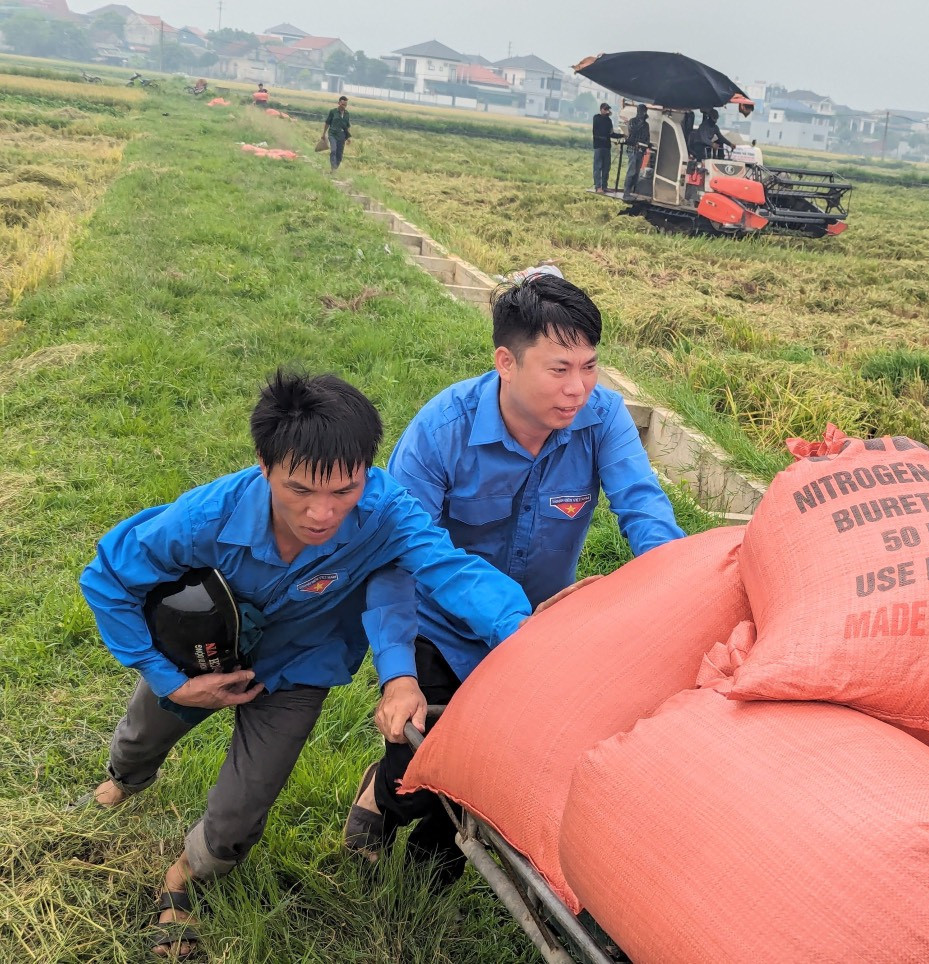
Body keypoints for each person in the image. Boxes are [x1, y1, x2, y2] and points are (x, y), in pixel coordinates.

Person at [79, 370, 534, 958]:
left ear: (366, 473)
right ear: (264, 468)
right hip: (196, 658)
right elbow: (108, 578)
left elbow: (449, 570)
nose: (322, 513)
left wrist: (525, 636)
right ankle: (123, 780)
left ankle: (186, 876)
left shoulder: (389, 511)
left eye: (344, 490)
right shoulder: (205, 518)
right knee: (145, 733)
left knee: (244, 808)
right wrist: (172, 681)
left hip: (296, 669)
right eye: (299, 490)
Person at [344, 274, 685, 878]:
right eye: (558, 369)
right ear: (506, 361)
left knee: (492, 769)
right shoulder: (441, 433)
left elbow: (644, 508)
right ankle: (383, 791)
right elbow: (392, 556)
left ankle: (434, 860)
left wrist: (683, 586)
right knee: (416, 774)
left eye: (589, 366)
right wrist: (397, 674)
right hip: (440, 624)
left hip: (537, 628)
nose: (578, 388)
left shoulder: (602, 418)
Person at [622, 103, 651, 198]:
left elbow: (647, 137)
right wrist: (641, 122)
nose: (643, 113)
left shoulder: (646, 125)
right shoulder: (632, 121)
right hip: (632, 149)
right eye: (642, 111)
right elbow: (633, 130)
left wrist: (646, 145)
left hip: (641, 150)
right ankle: (626, 192)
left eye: (644, 111)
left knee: (637, 172)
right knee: (631, 170)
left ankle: (632, 190)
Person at [322, 95, 352, 173]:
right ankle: (333, 168)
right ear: (339, 103)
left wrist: (348, 137)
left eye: (345, 105)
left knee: (340, 154)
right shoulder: (333, 112)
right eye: (343, 104)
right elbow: (327, 123)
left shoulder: (347, 114)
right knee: (333, 150)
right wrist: (324, 133)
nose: (344, 106)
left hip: (342, 136)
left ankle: (335, 167)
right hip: (332, 134)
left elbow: (348, 125)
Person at [591, 102, 614, 193]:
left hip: (607, 146)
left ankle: (604, 186)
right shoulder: (596, 117)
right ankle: (598, 187)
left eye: (607, 109)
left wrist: (622, 136)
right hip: (599, 146)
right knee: (598, 167)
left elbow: (611, 133)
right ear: (601, 109)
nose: (606, 111)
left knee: (606, 167)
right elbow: (596, 131)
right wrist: (603, 138)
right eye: (605, 109)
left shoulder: (609, 120)